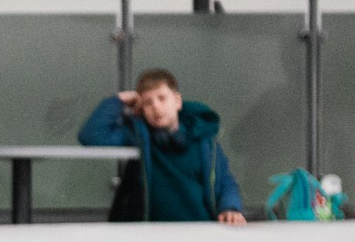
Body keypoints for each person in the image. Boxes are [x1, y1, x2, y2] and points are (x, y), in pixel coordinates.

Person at [80, 68, 246, 224]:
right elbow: (91, 136)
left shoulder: (204, 139)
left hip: (200, 232)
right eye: (147, 103)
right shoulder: (138, 136)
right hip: (150, 235)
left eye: (162, 98)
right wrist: (119, 100)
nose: (156, 107)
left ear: (177, 101)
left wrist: (230, 208)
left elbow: (225, 181)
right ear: (141, 109)